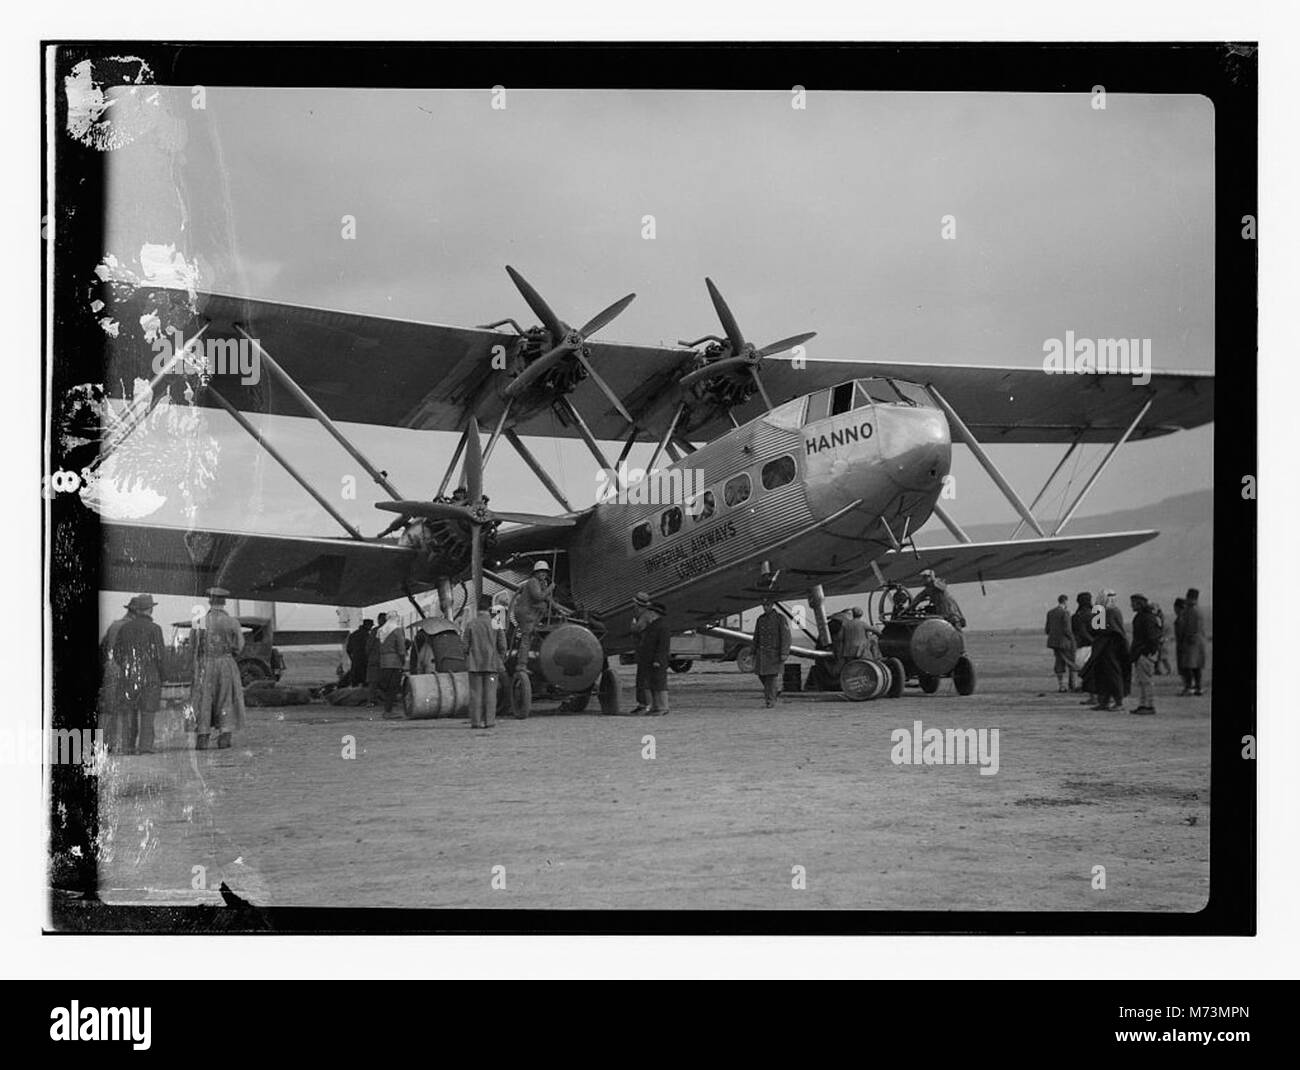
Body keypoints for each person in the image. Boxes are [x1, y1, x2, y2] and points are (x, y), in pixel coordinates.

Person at [110, 594, 166, 754]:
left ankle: (128, 746)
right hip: (150, 676)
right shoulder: (155, 629)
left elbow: (116, 654)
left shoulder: (124, 628)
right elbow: (160, 656)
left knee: (130, 712)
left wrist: (126, 668)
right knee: (148, 713)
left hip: (129, 676)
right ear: (150, 609)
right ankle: (145, 747)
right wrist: (163, 675)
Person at [192, 587, 246, 750]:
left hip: (205, 664)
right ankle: (224, 738)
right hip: (225, 663)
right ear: (224, 602)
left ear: (210, 601)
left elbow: (193, 645)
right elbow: (239, 645)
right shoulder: (232, 622)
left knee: (204, 700)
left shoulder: (200, 620)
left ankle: (202, 739)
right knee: (226, 699)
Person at [464, 595, 507, 729]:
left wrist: (469, 656)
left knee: (476, 694)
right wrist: (500, 657)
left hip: (474, 665)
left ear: (478, 607)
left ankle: (476, 722)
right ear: (490, 607)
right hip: (492, 664)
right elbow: (503, 645)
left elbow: (465, 646)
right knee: (490, 694)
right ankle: (490, 722)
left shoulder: (471, 624)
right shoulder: (496, 622)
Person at [98, 603, 134, 751]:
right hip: (123, 669)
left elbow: (102, 648)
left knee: (108, 709)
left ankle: (105, 744)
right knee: (125, 710)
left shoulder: (114, 625)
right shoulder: (130, 627)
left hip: (109, 668)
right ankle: (122, 745)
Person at [1089, 590, 1129, 712]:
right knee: (1103, 675)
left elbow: (1105, 630)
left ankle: (1118, 702)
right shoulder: (1103, 611)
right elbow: (1096, 629)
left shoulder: (1111, 611)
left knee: (1113, 674)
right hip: (1103, 648)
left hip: (1111, 648)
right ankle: (1104, 701)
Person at [512, 561, 555, 663]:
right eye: (541, 572)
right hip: (525, 614)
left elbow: (547, 598)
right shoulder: (533, 582)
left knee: (528, 638)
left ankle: (522, 660)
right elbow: (538, 597)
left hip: (528, 614)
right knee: (526, 639)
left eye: (545, 572)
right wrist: (550, 588)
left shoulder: (540, 584)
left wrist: (557, 608)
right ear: (535, 573)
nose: (543, 574)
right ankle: (521, 665)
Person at [634, 600, 671, 715]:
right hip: (649, 660)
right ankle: (655, 707)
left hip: (656, 660)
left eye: (649, 612)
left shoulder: (662, 626)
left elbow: (663, 646)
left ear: (654, 613)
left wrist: (658, 660)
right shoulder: (653, 625)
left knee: (659, 684)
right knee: (652, 684)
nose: (648, 614)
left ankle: (662, 708)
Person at [753, 596, 792, 708]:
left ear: (772, 605)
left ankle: (770, 701)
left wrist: (784, 652)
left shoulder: (780, 619)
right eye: (764, 606)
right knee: (762, 676)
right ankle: (774, 691)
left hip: (774, 653)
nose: (765, 608)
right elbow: (756, 636)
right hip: (762, 654)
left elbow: (786, 637)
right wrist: (752, 652)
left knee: (771, 677)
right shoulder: (760, 619)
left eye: (767, 605)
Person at [1129, 594, 1162, 715]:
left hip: (1144, 653)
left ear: (1139, 603)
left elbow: (1151, 638)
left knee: (1146, 681)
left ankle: (1148, 705)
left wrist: (1147, 652)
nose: (1131, 605)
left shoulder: (1146, 618)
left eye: (1133, 603)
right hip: (1142, 653)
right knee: (1142, 681)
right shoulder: (1146, 617)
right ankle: (1143, 704)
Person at [376, 613, 407, 718]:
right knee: (393, 687)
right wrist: (403, 661)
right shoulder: (397, 630)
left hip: (383, 662)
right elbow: (401, 648)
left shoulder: (381, 630)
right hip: (394, 662)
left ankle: (387, 710)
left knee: (387, 687)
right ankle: (388, 711)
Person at [1177, 587, 1207, 696]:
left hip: (1192, 642)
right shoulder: (1195, 610)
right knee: (1195, 666)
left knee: (1189, 666)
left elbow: (1191, 627)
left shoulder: (1192, 611)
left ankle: (1190, 687)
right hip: (1197, 642)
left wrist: (1186, 638)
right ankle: (1198, 687)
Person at [1045, 594, 1076, 693]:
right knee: (1071, 662)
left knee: (1059, 663)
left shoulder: (1050, 613)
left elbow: (1047, 629)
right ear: (1065, 601)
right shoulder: (1065, 613)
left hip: (1054, 642)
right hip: (1065, 643)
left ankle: (1061, 685)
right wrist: (1072, 639)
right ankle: (1072, 685)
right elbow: (1067, 629)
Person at [629, 591, 653, 713]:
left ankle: (645, 704)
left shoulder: (644, 617)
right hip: (643, 651)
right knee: (642, 678)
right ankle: (643, 703)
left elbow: (636, 629)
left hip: (645, 652)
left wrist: (633, 624)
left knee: (643, 679)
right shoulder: (646, 615)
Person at [1072, 592, 1096, 705]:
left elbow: (1080, 632)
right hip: (1097, 646)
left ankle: (1093, 697)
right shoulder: (1096, 614)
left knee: (1088, 672)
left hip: (1083, 647)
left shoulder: (1078, 616)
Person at [344, 619, 372, 687]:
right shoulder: (368, 636)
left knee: (355, 681)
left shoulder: (353, 634)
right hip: (365, 661)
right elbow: (370, 649)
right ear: (368, 626)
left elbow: (348, 649)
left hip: (355, 660)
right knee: (365, 681)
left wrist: (352, 658)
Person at [365, 616, 384, 705]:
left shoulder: (375, 631)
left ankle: (372, 700)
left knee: (373, 682)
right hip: (384, 660)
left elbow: (368, 646)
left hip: (375, 659)